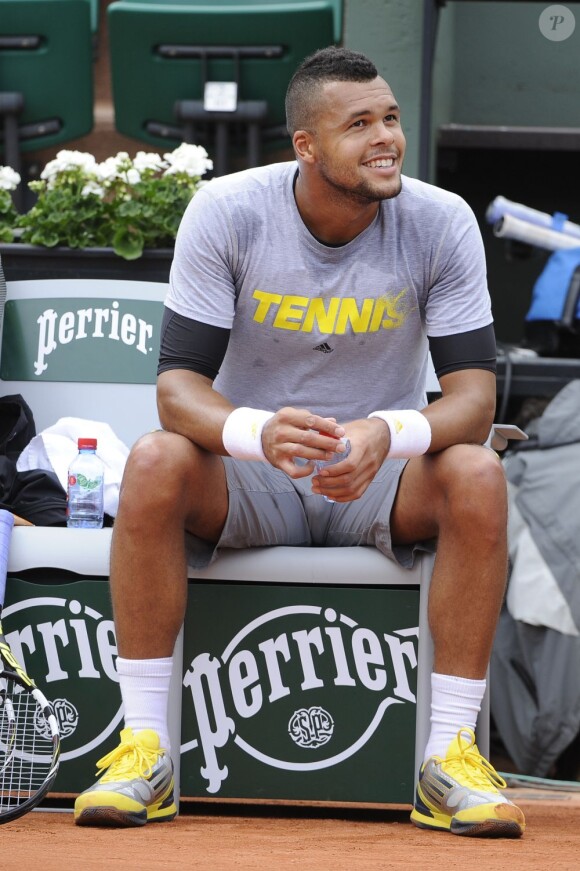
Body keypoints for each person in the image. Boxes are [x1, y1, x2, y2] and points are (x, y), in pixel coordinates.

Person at [74, 46, 525, 838]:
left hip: (377, 477)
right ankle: (144, 747)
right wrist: (256, 434)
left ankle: (448, 756)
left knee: (478, 472)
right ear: (306, 147)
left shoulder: (441, 220)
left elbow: (474, 399)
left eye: (389, 118)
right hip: (249, 475)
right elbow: (177, 387)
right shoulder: (226, 210)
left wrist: (386, 432)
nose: (386, 138)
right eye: (359, 125)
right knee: (153, 459)